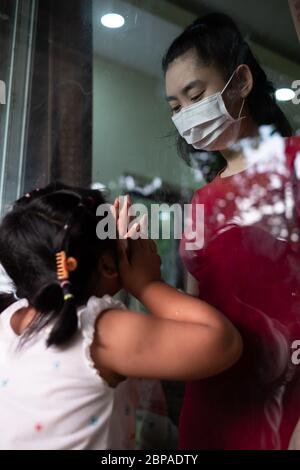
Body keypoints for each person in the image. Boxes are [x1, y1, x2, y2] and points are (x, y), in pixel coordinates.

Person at [0, 182, 242, 450]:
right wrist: (148, 284)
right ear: (106, 265)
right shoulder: (99, 331)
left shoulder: (9, 319)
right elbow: (224, 342)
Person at [163, 12, 300, 449]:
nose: (186, 115)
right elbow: (194, 312)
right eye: (175, 107)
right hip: (211, 412)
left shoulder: (293, 163)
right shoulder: (202, 202)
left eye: (194, 94)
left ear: (240, 82)